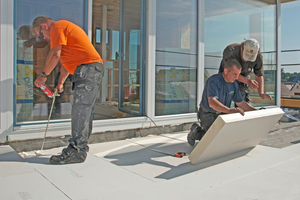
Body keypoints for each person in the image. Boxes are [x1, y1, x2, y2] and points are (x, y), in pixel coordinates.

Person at [32, 16, 104, 164]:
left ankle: (76, 150)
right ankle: (80, 147)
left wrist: (43, 75)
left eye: (40, 34)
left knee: (80, 109)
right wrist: (60, 82)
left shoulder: (58, 27)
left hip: (88, 69)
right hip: (86, 69)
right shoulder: (62, 33)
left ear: (44, 25)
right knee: (83, 110)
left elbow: (55, 55)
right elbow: (65, 61)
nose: (43, 37)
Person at [187, 59, 257, 146]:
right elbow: (212, 103)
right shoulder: (214, 81)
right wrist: (230, 110)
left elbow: (241, 103)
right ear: (226, 71)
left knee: (224, 137)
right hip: (208, 113)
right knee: (210, 140)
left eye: (238, 75)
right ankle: (195, 131)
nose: (236, 77)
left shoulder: (234, 84)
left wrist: (256, 111)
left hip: (223, 113)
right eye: (234, 74)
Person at [218, 39, 272, 103]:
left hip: (244, 78)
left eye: (251, 57)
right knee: (224, 100)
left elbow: (259, 75)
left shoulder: (258, 57)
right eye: (246, 55)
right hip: (227, 77)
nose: (247, 59)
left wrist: (261, 93)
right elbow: (231, 74)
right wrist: (248, 82)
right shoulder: (230, 51)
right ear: (241, 49)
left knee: (243, 98)